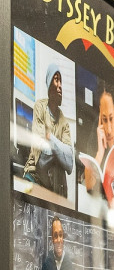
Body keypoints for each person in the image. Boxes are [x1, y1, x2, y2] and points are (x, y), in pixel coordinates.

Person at [21, 63, 74, 197]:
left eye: (61, 80)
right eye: (56, 79)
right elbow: (41, 156)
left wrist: (50, 137)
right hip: (35, 177)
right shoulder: (40, 107)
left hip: (53, 185)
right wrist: (60, 152)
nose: (60, 85)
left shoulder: (64, 123)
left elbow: (69, 164)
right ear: (50, 83)